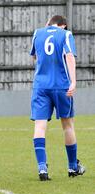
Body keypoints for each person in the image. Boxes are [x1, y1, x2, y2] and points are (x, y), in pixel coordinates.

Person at [29, 15, 85, 181]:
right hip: (61, 86)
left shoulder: (37, 33)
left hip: (41, 86)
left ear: (48, 23)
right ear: (63, 25)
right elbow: (69, 56)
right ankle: (72, 167)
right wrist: (73, 81)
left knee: (40, 126)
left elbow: (35, 56)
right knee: (67, 125)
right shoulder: (66, 35)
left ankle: (42, 168)